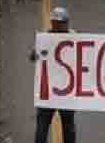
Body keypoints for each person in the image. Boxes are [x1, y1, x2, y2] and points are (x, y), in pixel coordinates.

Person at [33, 7, 77, 143]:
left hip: (67, 90)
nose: (57, 26)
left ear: (66, 23)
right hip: (48, 90)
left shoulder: (76, 38)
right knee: (42, 128)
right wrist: (35, 53)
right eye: (55, 22)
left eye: (60, 23)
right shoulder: (45, 38)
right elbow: (33, 56)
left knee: (68, 127)